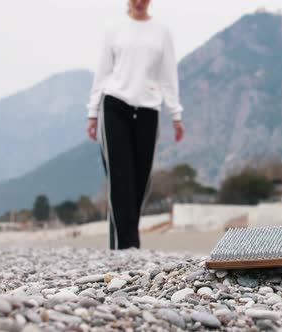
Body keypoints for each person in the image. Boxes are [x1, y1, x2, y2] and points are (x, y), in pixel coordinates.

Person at [85, 0, 184, 250]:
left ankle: (123, 240)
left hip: (149, 109)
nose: (139, 2)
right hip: (115, 105)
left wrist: (176, 114)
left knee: (141, 180)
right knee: (120, 177)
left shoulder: (162, 32)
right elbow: (103, 73)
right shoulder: (114, 29)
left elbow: (168, 75)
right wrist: (92, 113)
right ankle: (127, 246)